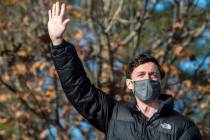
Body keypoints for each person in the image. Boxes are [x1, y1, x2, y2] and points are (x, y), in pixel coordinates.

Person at [48, 2, 202, 140]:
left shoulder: (183, 127)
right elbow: (79, 90)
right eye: (141, 75)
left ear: (160, 82)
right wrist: (58, 43)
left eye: (153, 75)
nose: (147, 79)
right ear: (130, 84)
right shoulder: (113, 114)